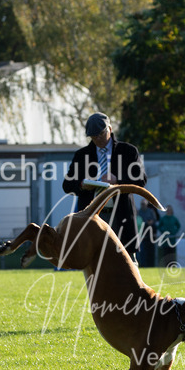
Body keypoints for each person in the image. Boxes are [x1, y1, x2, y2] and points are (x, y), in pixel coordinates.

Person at [62, 112, 146, 260]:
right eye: (93, 136)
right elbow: (67, 185)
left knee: (127, 260)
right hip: (93, 215)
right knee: (95, 260)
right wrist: (82, 184)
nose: (98, 139)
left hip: (120, 213)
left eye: (101, 134)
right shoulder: (82, 155)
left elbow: (141, 180)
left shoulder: (128, 151)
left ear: (110, 129)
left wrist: (117, 180)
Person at [137, 199, 160, 268]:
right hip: (143, 232)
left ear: (146, 204)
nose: (142, 205)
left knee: (151, 251)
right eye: (142, 204)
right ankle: (143, 265)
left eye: (144, 204)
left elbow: (155, 220)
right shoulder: (139, 212)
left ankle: (151, 265)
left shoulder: (151, 211)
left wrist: (151, 222)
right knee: (143, 251)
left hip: (151, 232)